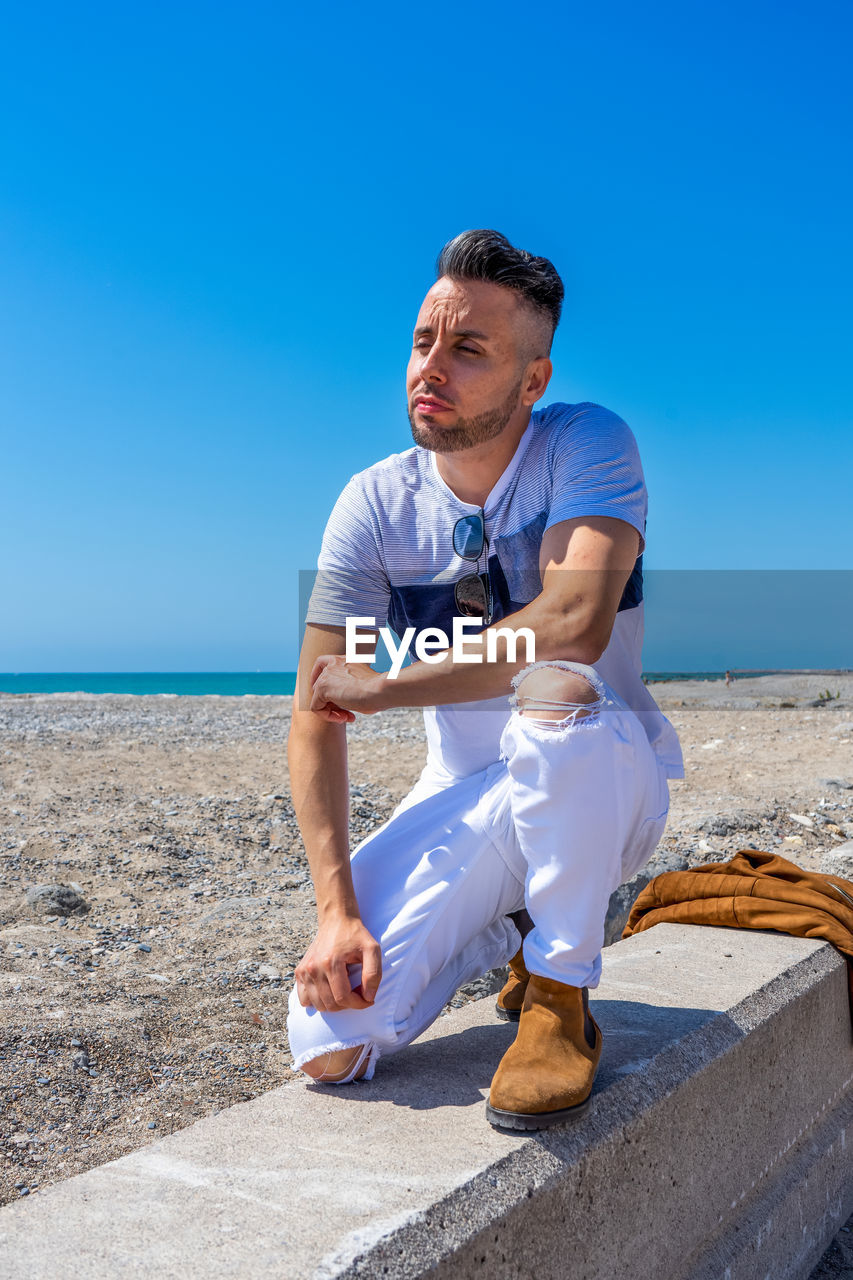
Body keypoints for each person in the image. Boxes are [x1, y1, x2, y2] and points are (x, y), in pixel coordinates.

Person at [286, 230, 683, 1130]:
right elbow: (315, 708)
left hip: (603, 776)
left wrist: (388, 684)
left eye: (469, 349)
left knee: (555, 694)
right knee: (330, 1036)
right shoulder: (375, 503)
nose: (433, 365)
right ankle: (509, 922)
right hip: (469, 794)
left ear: (530, 380)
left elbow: (572, 624)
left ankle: (558, 992)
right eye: (425, 340)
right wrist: (334, 912)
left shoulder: (585, 443)